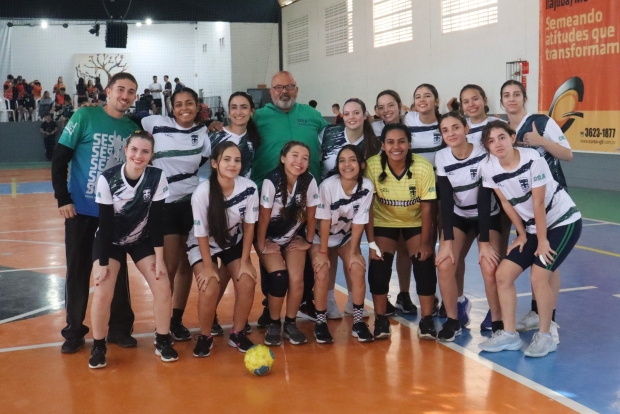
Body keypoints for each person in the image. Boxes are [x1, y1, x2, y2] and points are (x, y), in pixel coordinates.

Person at [51, 72, 139, 354]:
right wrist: (63, 198)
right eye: (120, 89)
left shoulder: (132, 128)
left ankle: (119, 329)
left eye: (131, 92)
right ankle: (74, 331)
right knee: (78, 271)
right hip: (80, 211)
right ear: (108, 91)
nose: (125, 96)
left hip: (113, 215)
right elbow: (60, 158)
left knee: (116, 272)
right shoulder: (84, 117)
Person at [478, 121, 581, 358]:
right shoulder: (488, 167)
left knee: (538, 276)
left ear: (512, 137)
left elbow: (538, 203)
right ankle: (509, 335)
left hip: (563, 221)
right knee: (503, 275)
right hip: (533, 228)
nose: (497, 144)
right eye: (491, 141)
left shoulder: (533, 159)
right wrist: (522, 234)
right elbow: (506, 202)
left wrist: (542, 241)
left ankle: (545, 336)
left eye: (502, 137)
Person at [88, 131, 177, 369]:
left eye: (145, 151)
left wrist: (160, 258)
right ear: (126, 150)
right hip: (110, 242)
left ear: (151, 154)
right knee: (102, 290)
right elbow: (105, 223)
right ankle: (98, 346)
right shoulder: (108, 179)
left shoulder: (156, 177)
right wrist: (102, 263)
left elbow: (157, 221)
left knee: (162, 285)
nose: (139, 155)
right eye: (134, 149)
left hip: (141, 239)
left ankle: (162, 339)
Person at [501, 80, 573, 339]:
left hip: (551, 201)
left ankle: (548, 319)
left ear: (524, 98)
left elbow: (567, 154)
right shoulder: (503, 131)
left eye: (516, 94)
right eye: (506, 95)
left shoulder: (540, 122)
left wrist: (541, 140)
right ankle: (537, 311)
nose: (512, 99)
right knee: (541, 258)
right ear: (501, 102)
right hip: (526, 206)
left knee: (547, 261)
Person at [141, 87, 211, 341]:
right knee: (168, 266)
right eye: (179, 104)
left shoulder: (203, 133)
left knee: (185, 265)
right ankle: (162, 324)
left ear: (197, 106)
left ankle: (175, 320)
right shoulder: (155, 123)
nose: (184, 108)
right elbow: (129, 122)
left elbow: (203, 163)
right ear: (171, 107)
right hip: (164, 204)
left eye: (189, 103)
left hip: (191, 203)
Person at [434, 112, 503, 342]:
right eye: (445, 130)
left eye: (455, 127)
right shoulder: (442, 157)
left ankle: (498, 321)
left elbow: (484, 197)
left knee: (489, 264)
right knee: (445, 262)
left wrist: (484, 242)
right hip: (459, 216)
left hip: (487, 215)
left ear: (466, 129)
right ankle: (453, 320)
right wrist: (446, 241)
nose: (451, 133)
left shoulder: (483, 152)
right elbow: (445, 199)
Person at [365, 124, 437, 339]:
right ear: (383, 145)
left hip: (414, 221)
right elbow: (368, 208)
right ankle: (380, 319)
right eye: (390, 142)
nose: (396, 147)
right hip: (384, 221)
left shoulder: (422, 167)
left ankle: (427, 320)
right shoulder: (372, 166)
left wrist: (425, 243)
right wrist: (371, 243)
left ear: (409, 144)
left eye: (401, 141)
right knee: (379, 265)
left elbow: (428, 208)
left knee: (424, 263)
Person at [189, 142, 259, 356]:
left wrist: (245, 261)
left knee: (247, 280)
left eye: (237, 160)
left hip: (232, 241)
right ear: (214, 163)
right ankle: (205, 336)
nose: (232, 164)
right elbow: (201, 233)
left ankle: (237, 334)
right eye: (226, 159)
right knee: (209, 285)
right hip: (202, 244)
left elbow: (249, 227)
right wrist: (208, 267)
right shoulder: (202, 193)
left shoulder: (249, 188)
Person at [318, 98, 381, 318]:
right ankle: (328, 302)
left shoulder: (374, 144)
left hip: (354, 203)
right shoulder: (329, 134)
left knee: (351, 252)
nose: (351, 117)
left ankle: (353, 302)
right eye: (347, 113)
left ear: (365, 115)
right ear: (341, 116)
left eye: (356, 112)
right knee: (328, 254)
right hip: (326, 201)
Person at [257, 141, 319, 346]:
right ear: (283, 158)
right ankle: (274, 323)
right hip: (269, 238)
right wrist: (262, 245)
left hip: (293, 237)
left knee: (297, 280)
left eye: (305, 158)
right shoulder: (272, 181)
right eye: (294, 155)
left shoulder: (309, 181)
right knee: (278, 277)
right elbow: (263, 217)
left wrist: (308, 240)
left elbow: (312, 214)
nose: (299, 161)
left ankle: (291, 323)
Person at [312, 145, 374, 343]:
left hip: (344, 237)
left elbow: (359, 222)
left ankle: (357, 322)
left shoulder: (367, 186)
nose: (347, 165)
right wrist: (323, 253)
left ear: (361, 164)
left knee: (357, 268)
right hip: (320, 237)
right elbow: (324, 221)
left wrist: (354, 252)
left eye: (352, 160)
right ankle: (320, 322)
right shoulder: (328, 186)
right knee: (322, 271)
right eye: (342, 161)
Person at [459, 84, 509, 331]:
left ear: (484, 99)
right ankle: (458, 302)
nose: (471, 104)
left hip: (499, 199)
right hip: (466, 201)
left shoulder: (497, 125)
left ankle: (496, 309)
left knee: (496, 257)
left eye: (475, 99)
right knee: (457, 256)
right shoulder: (461, 129)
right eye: (466, 101)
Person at [372, 89, 418, 316]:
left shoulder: (413, 123)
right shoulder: (373, 130)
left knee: (408, 249)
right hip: (385, 200)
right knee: (384, 253)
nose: (386, 110)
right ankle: (384, 298)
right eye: (381, 107)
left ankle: (405, 293)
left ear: (400, 106)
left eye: (390, 105)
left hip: (415, 195)